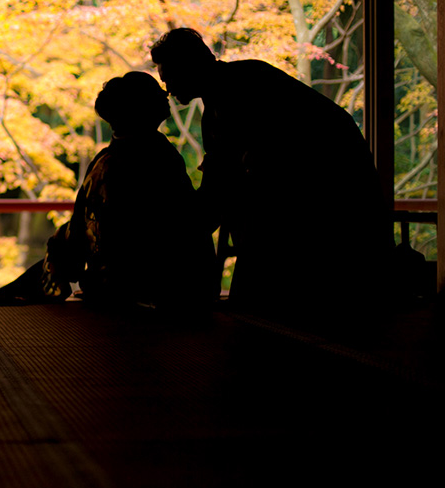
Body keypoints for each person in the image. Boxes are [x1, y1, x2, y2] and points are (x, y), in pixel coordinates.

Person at [148, 28, 388, 310]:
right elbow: (222, 181)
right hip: (320, 183)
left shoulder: (241, 89)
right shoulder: (237, 87)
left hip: (329, 189)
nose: (168, 89)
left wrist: (178, 234)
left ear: (188, 66)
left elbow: (228, 181)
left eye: (170, 78)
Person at [0, 72, 216, 308]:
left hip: (127, 282)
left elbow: (86, 228)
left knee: (67, 238)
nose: (166, 97)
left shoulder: (108, 161)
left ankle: (14, 290)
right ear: (149, 110)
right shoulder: (161, 155)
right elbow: (187, 222)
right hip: (179, 281)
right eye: (159, 97)